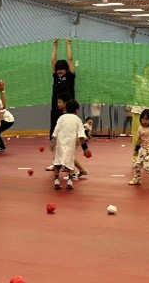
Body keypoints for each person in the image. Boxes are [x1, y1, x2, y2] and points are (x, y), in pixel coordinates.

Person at [45, 38, 76, 171]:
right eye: (58, 69)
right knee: (55, 137)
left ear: (66, 69)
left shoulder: (70, 77)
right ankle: (56, 162)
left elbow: (70, 59)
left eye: (61, 69)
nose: (59, 71)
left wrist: (68, 45)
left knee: (67, 139)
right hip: (55, 111)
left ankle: (67, 163)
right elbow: (53, 61)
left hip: (67, 113)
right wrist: (55, 46)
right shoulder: (56, 78)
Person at [51, 96, 87, 190]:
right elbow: (81, 135)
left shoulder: (61, 117)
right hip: (71, 142)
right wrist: (85, 148)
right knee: (70, 161)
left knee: (57, 161)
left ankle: (56, 179)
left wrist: (53, 141)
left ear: (66, 108)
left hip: (60, 141)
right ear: (76, 110)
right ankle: (70, 180)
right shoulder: (78, 120)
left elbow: (56, 130)